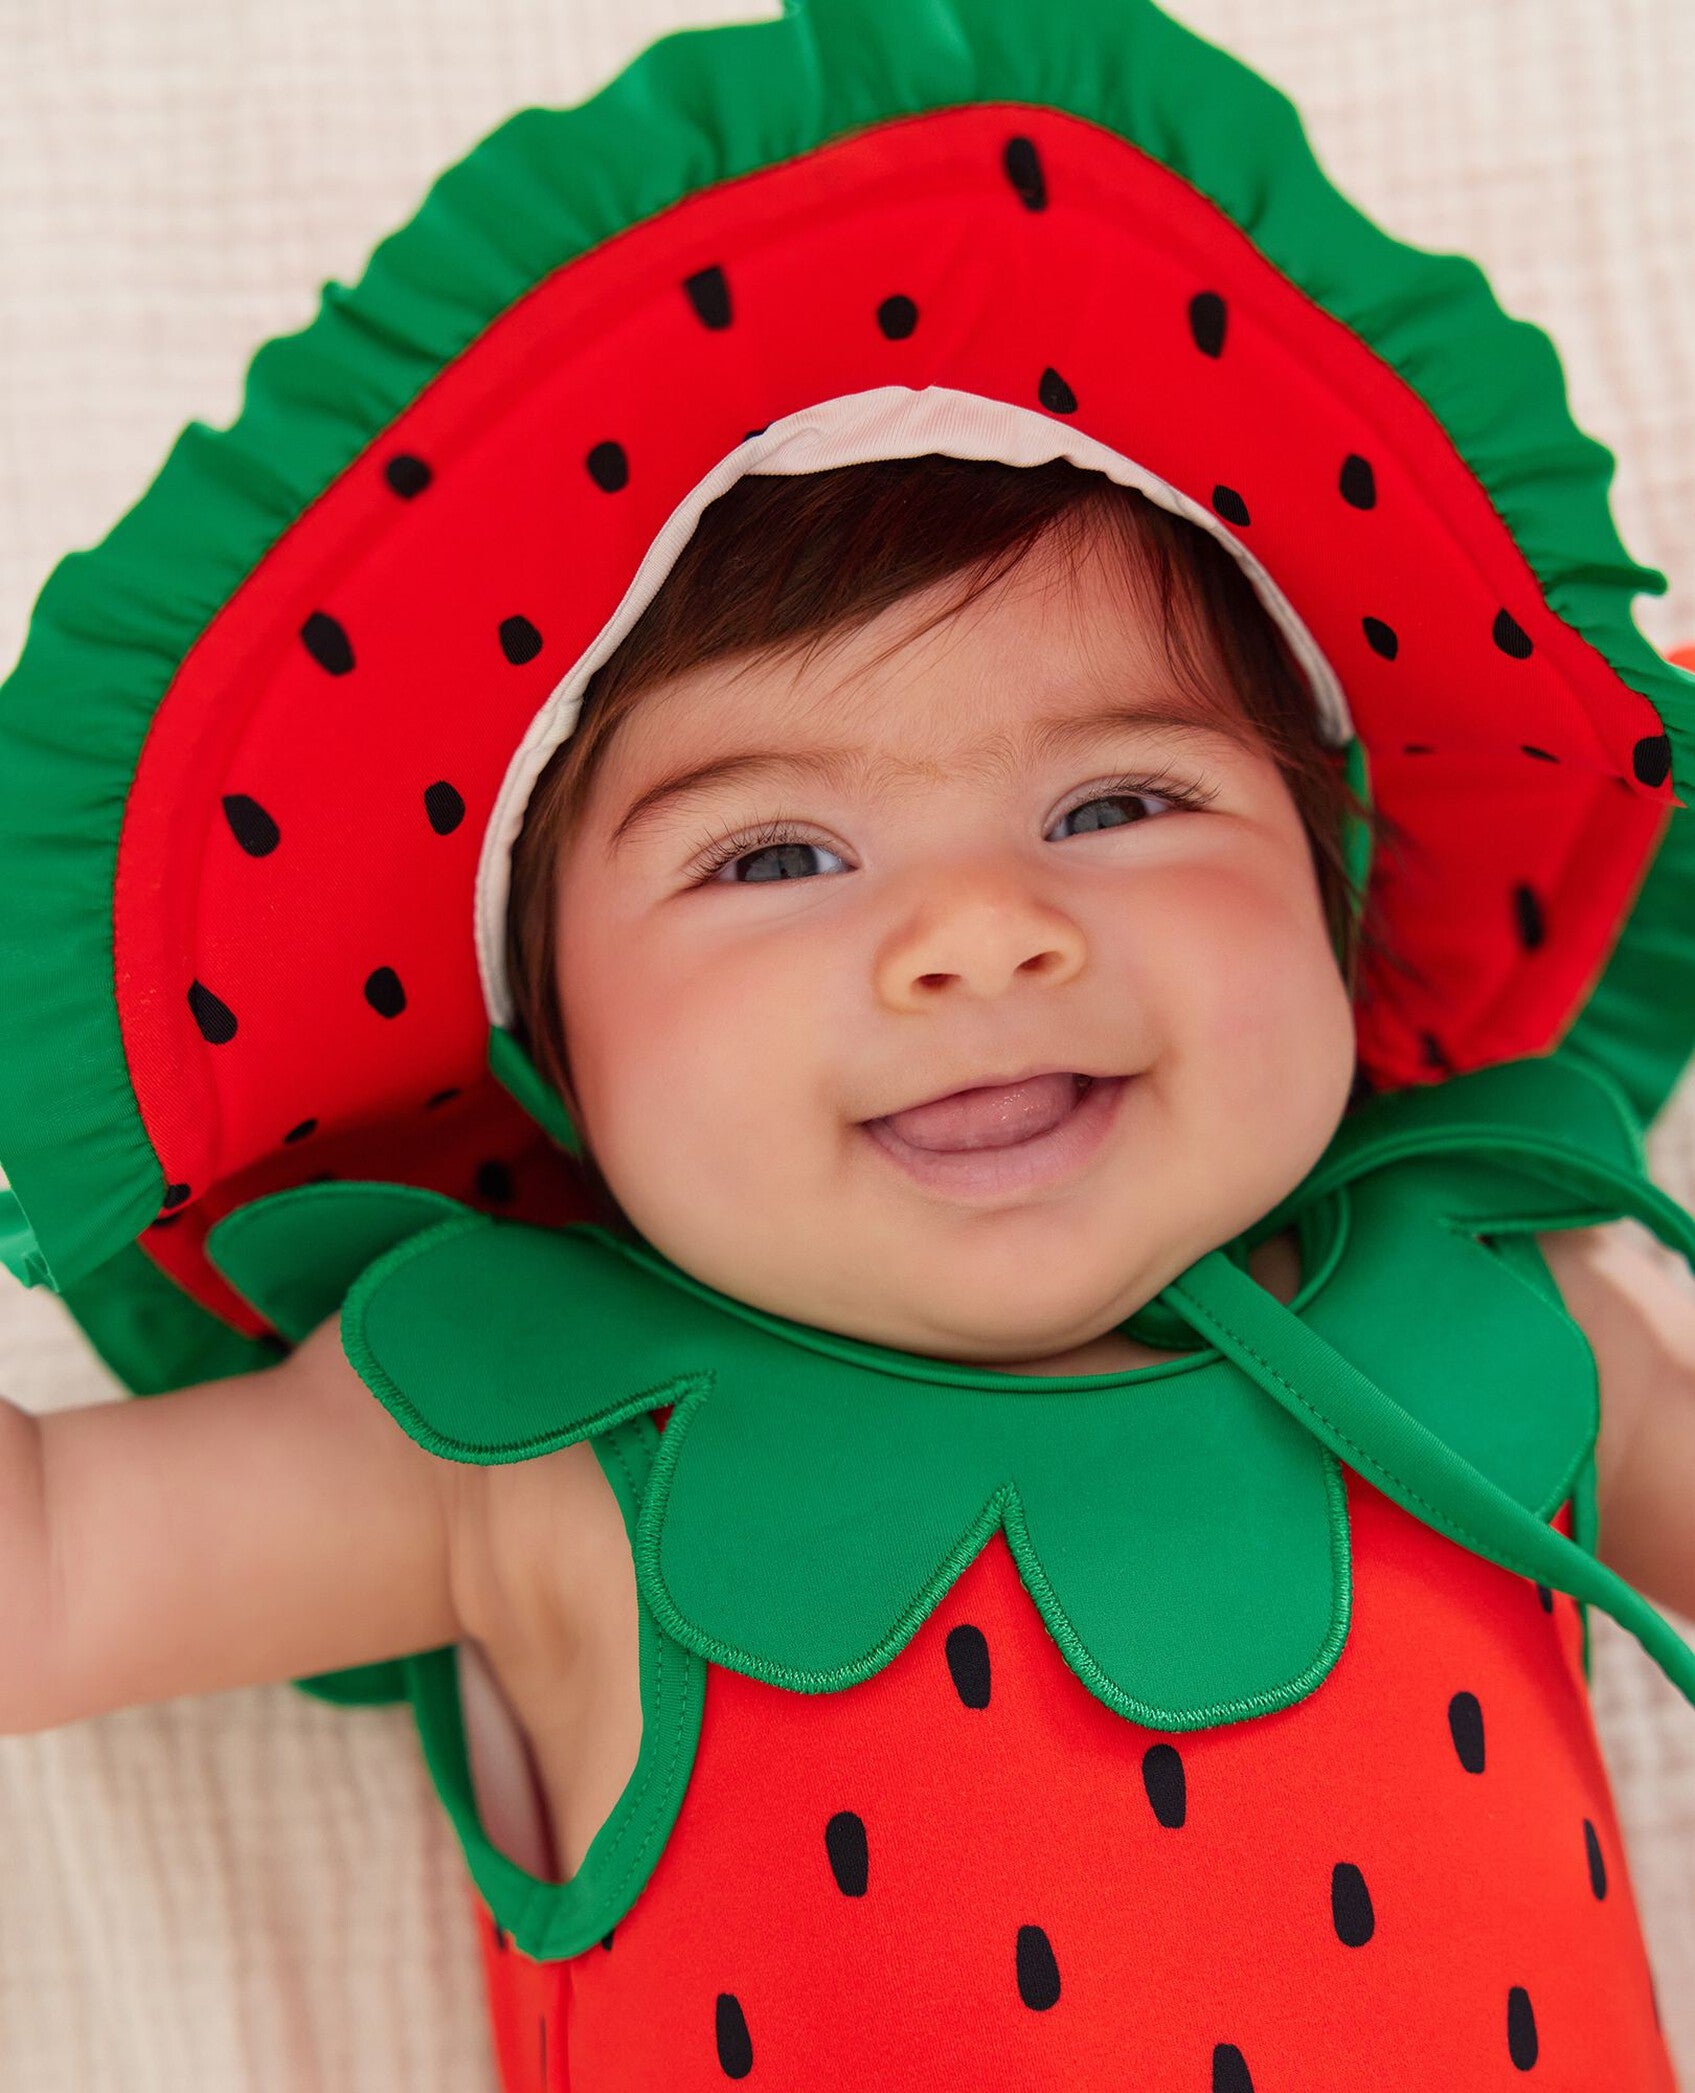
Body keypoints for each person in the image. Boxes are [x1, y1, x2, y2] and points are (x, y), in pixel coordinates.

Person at [4, 0, 1695, 2084]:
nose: (977, 936)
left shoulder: (1506, 1326)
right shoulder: (513, 1448)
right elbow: (43, 1567)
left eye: (1115, 807)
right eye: (774, 854)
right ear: (543, 1044)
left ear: (1333, 888)